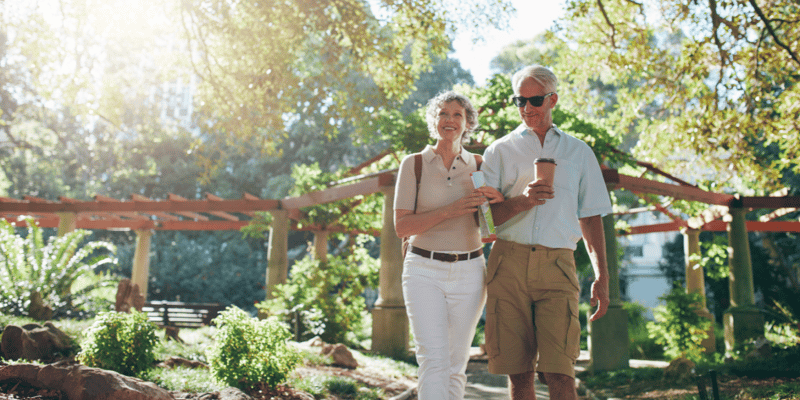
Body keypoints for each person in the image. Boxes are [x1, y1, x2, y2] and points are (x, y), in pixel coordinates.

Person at [481, 65, 612, 400]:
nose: (527, 108)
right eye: (519, 101)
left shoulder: (579, 152)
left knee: (560, 372)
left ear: (553, 99)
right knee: (519, 374)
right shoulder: (499, 151)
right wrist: (523, 202)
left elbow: (591, 216)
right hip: (508, 263)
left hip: (558, 266)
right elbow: (486, 218)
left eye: (535, 99)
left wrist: (602, 276)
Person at [394, 90, 504, 400]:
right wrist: (451, 210)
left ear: (468, 123)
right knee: (433, 359)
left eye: (457, 115)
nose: (449, 120)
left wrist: (497, 203)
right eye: (443, 113)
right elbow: (402, 226)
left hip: (470, 270)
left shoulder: (480, 165)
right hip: (422, 269)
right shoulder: (414, 164)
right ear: (434, 120)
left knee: (457, 363)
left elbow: (490, 228)